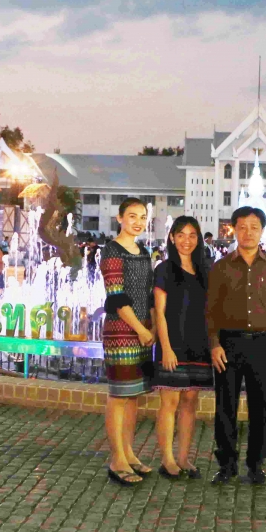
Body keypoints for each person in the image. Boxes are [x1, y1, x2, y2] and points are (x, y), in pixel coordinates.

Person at [207, 206, 266, 485]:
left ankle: (256, 465)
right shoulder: (221, 267)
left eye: (254, 227)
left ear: (262, 230)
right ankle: (226, 464)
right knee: (225, 406)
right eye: (242, 227)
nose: (248, 232)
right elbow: (211, 310)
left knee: (259, 407)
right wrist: (214, 343)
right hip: (228, 344)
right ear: (234, 230)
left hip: (263, 345)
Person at [100, 198, 156, 486]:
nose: (138, 221)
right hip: (121, 332)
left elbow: (148, 294)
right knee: (119, 396)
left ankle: (129, 453)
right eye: (132, 216)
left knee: (133, 396)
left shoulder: (143, 251)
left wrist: (152, 327)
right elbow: (117, 297)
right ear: (120, 218)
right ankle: (116, 459)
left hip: (142, 330)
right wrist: (141, 330)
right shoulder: (111, 250)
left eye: (142, 216)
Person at [152, 216, 213, 480]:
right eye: (181, 235)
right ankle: (167, 459)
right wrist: (166, 347)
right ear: (172, 238)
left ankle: (184, 457)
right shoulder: (164, 270)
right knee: (170, 401)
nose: (186, 240)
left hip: (198, 344)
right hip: (173, 343)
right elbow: (159, 313)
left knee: (189, 401)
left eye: (192, 235)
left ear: (198, 239)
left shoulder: (204, 271)